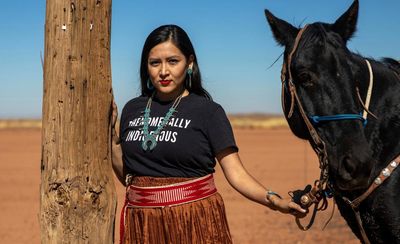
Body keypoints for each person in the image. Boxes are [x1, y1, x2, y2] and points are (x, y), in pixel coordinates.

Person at [111, 24, 306, 244]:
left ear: (190, 63)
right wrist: (110, 138)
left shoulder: (208, 112)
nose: (163, 71)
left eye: (173, 61)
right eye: (155, 62)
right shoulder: (132, 109)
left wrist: (275, 201)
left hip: (193, 221)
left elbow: (236, 175)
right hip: (143, 225)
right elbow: (129, 176)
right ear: (146, 66)